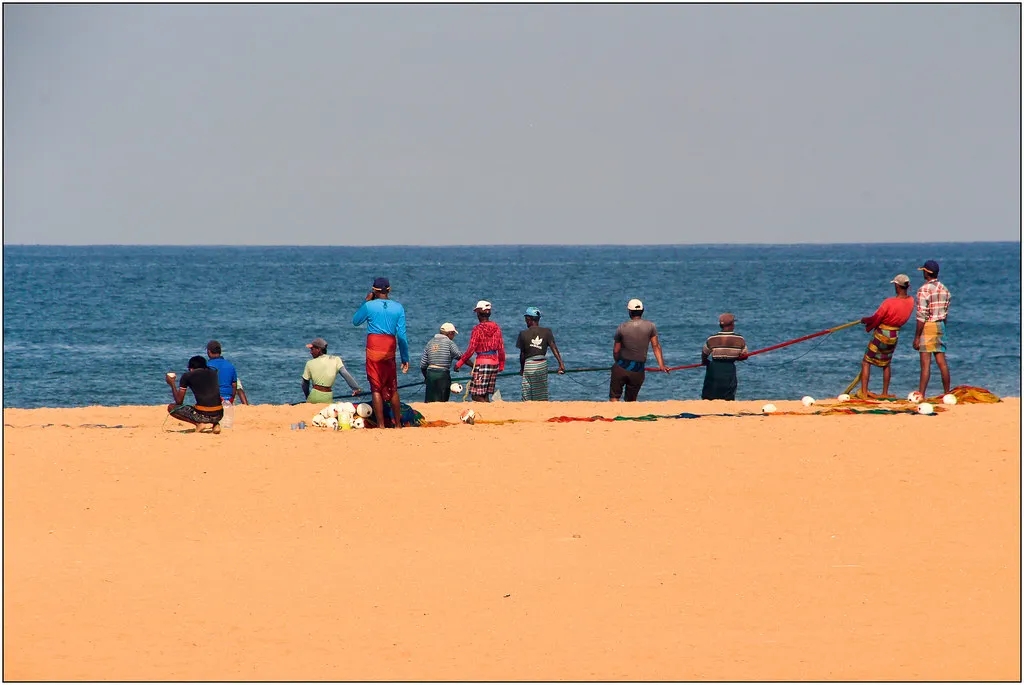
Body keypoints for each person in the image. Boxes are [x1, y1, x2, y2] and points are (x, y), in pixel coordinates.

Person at [352, 277, 410, 428]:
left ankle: (381, 425)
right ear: (389, 290)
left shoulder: (369, 306)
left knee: (376, 387)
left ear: (374, 291)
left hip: (374, 345)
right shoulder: (398, 307)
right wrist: (405, 357)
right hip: (390, 346)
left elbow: (356, 321)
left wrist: (366, 301)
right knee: (392, 386)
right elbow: (402, 335)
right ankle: (397, 425)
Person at [854, 274, 916, 399]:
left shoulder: (889, 302)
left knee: (866, 361)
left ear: (897, 286)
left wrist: (865, 320)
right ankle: (885, 393)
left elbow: (876, 318)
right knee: (886, 364)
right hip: (894, 335)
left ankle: (864, 392)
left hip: (882, 334)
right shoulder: (911, 301)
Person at [610, 298, 668, 402]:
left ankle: (615, 414)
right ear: (642, 311)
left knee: (615, 396)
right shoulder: (651, 326)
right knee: (631, 400)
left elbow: (616, 350)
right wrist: (661, 365)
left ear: (630, 312)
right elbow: (656, 346)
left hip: (621, 367)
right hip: (638, 370)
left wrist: (618, 363)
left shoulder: (621, 327)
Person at [912, 259, 952, 397]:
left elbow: (921, 315)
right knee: (942, 362)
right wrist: (942, 328)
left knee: (925, 364)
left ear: (926, 273)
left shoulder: (923, 290)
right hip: (940, 325)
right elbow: (945, 314)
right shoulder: (945, 290)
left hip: (928, 325)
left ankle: (921, 394)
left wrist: (917, 337)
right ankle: (947, 393)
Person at [455, 300, 506, 402]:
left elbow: (471, 350)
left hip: (482, 364)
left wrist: (459, 363)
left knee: (476, 395)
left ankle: (489, 410)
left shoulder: (477, 329)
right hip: (494, 363)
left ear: (479, 314)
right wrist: (501, 365)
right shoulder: (496, 328)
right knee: (485, 394)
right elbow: (501, 348)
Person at [515, 306, 565, 401]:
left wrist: (522, 369)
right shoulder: (547, 332)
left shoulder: (523, 334)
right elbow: (554, 348)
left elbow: (522, 355)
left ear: (528, 319)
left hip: (529, 365)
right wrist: (561, 364)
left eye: (526, 318)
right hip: (542, 364)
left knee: (527, 391)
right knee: (541, 391)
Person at [165, 355, 224, 433]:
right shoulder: (213, 373)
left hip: (203, 415)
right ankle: (216, 424)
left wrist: (172, 383)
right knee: (208, 402)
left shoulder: (187, 376)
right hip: (219, 414)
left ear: (191, 368)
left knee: (171, 408)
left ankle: (198, 423)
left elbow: (179, 401)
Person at [700, 313, 748, 400]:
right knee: (728, 393)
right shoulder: (739, 339)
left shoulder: (712, 339)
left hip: (714, 367)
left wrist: (704, 362)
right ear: (732, 325)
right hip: (729, 366)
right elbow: (744, 355)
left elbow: (704, 353)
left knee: (710, 393)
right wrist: (737, 356)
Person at [301, 337, 362, 403]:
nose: (310, 352)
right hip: (328, 395)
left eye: (312, 349)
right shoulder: (336, 359)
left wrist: (307, 397)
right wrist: (356, 389)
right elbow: (345, 374)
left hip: (315, 395)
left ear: (318, 349)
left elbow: (305, 384)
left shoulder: (309, 363)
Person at [419, 322, 461, 403]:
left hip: (430, 374)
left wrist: (426, 377)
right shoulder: (449, 343)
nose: (453, 336)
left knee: (429, 401)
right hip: (443, 374)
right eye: (453, 334)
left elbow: (423, 365)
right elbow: (460, 356)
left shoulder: (430, 342)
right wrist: (472, 365)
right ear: (450, 334)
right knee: (442, 400)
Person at [205, 340, 239, 406]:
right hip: (228, 400)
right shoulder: (230, 365)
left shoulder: (206, 366)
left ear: (209, 351)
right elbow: (234, 385)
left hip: (213, 400)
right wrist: (231, 400)